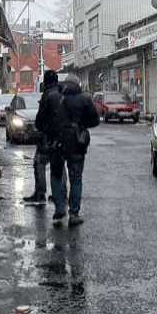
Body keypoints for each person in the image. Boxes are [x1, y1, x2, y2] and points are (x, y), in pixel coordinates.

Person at [35, 74, 99, 226]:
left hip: (56, 142)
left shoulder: (52, 97)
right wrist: (80, 125)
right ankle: (74, 213)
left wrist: (50, 131)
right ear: (78, 85)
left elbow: (39, 122)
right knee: (76, 177)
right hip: (77, 143)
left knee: (56, 175)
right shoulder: (85, 98)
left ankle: (59, 210)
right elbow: (95, 120)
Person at [24, 71, 60, 206]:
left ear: (46, 82)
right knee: (59, 166)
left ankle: (40, 193)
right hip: (61, 137)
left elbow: (40, 118)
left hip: (47, 137)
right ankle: (60, 194)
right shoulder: (62, 93)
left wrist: (39, 128)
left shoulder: (48, 95)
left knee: (39, 163)